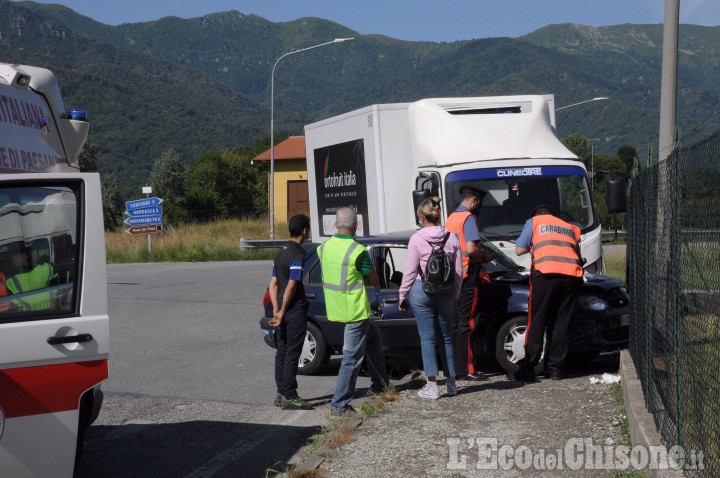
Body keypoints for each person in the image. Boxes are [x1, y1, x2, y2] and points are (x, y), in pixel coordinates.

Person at [318, 207, 389, 417]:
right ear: (356, 225)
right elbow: (374, 279)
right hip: (354, 311)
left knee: (373, 337)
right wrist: (364, 279)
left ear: (334, 225)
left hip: (334, 307)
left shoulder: (323, 247)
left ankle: (380, 384)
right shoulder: (357, 251)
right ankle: (339, 405)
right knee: (351, 358)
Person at [398, 197, 463, 399]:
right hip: (446, 292)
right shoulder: (452, 238)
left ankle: (432, 386)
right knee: (446, 337)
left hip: (421, 289)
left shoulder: (417, 239)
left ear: (421, 216)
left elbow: (410, 270)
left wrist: (402, 294)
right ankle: (451, 384)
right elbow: (459, 271)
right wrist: (457, 294)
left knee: (427, 338)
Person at [514, 204, 584, 381]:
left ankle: (528, 368)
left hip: (545, 275)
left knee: (537, 321)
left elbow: (519, 249)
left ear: (536, 215)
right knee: (561, 323)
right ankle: (555, 370)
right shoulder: (570, 227)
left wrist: (533, 245)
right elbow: (576, 254)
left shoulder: (534, 222)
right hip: (571, 277)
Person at [445, 185, 495, 381]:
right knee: (467, 323)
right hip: (469, 276)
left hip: (454, 276)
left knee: (456, 324)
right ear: (474, 200)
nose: (478, 207)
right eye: (479, 203)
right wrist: (486, 256)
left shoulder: (451, 218)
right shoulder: (468, 218)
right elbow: (473, 249)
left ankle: (457, 368)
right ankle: (467, 369)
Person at [268, 214, 313, 410]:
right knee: (293, 352)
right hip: (293, 311)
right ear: (304, 230)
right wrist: (284, 311)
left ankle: (280, 392)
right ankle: (290, 395)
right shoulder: (297, 254)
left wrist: (276, 310)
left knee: (282, 351)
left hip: (281, 310)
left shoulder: (280, 252)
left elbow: (273, 284)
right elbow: (291, 287)